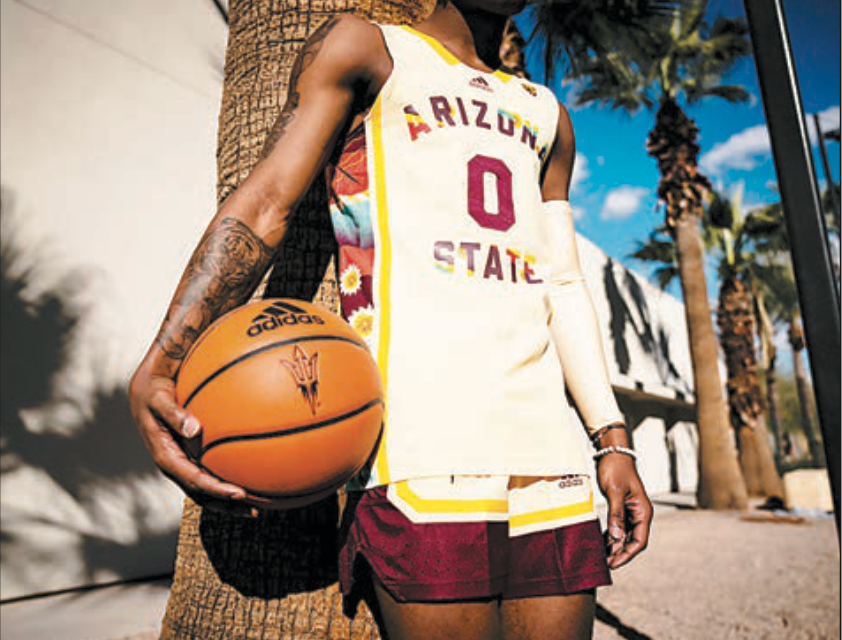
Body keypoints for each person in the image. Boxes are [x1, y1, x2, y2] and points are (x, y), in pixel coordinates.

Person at [129, 1, 653, 638]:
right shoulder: (368, 49)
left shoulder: (549, 115)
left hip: (552, 457)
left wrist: (611, 437)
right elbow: (267, 201)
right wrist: (164, 356)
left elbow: (564, 284)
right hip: (421, 451)